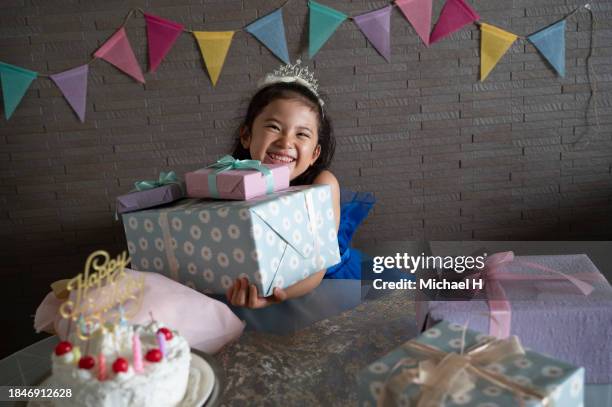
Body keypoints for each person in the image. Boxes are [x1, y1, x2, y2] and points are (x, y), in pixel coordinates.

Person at [226, 61, 374, 309]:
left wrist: (267, 298)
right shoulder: (231, 182)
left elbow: (316, 270)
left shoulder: (321, 184)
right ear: (246, 135)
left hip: (325, 284)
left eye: (301, 134)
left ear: (315, 153)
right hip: (260, 285)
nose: (286, 142)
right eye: (274, 127)